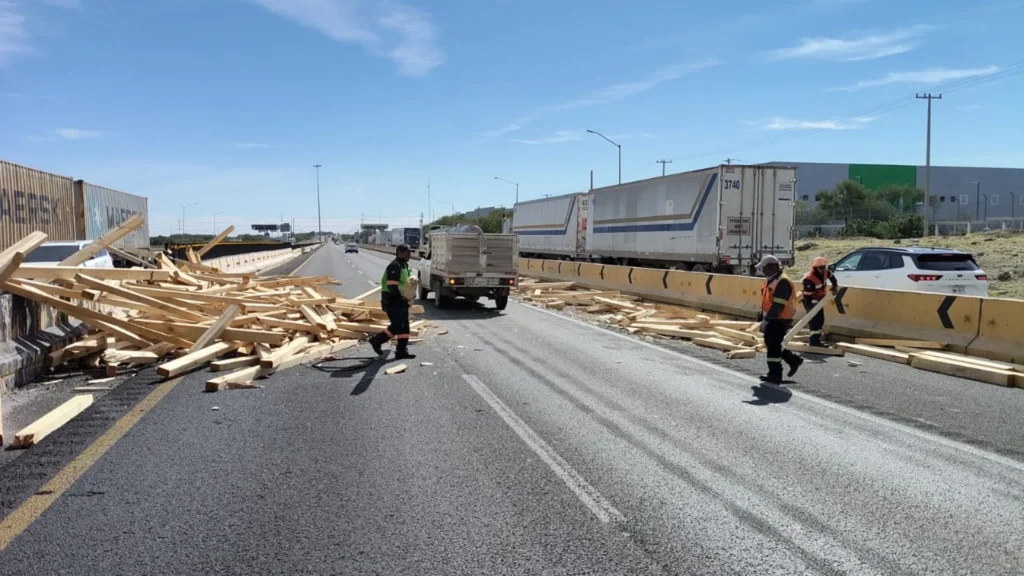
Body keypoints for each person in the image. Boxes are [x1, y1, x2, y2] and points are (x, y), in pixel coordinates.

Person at [756, 255, 803, 384]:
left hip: (779, 319)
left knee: (772, 345)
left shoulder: (782, 282)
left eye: (764, 267)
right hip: (773, 317)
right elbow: (768, 301)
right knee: (773, 343)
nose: (763, 270)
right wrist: (762, 313)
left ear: (773, 267)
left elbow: (778, 305)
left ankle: (775, 374)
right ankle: (793, 360)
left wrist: (767, 319)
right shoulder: (771, 280)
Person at [368, 244, 416, 360]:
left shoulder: (404, 265)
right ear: (399, 252)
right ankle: (376, 340)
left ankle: (401, 351)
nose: (410, 254)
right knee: (397, 325)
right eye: (407, 252)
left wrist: (410, 294)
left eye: (410, 252)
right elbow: (392, 286)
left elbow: (404, 284)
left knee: (404, 327)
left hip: (401, 301)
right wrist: (401, 298)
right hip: (392, 300)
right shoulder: (394, 266)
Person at [801, 256, 840, 348]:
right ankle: (814, 342)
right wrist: (809, 308)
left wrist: (835, 286)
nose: (823, 269)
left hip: (819, 301)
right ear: (816, 268)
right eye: (821, 268)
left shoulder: (826, 272)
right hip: (811, 302)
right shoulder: (809, 279)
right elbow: (807, 296)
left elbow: (833, 279)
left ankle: (816, 340)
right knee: (814, 322)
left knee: (820, 320)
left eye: (824, 267)